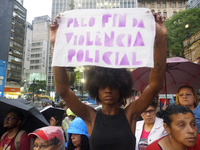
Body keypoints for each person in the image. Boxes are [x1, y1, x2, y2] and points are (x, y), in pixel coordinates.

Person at [50, 10, 167, 150]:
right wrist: (56, 45)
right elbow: (63, 90)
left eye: (113, 85)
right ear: (96, 89)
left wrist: (161, 38)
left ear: (121, 88)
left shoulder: (131, 114)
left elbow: (154, 85)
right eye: (102, 86)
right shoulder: (90, 116)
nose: (108, 90)